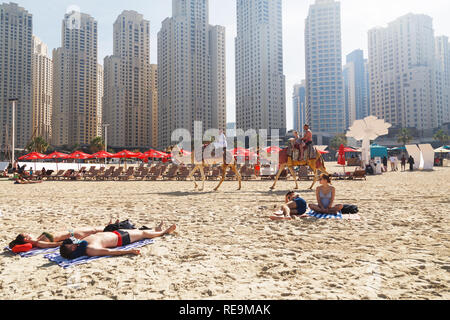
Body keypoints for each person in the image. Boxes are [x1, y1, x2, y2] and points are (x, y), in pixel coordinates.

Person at [9, 219, 165, 250]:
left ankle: (117, 225)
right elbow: (55, 244)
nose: (28, 233)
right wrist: (71, 241)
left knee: (97, 229)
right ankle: (119, 226)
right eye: (26, 234)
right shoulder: (38, 243)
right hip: (74, 234)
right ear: (26, 239)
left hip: (72, 231)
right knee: (99, 231)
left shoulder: (37, 238)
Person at [59, 225, 177, 260]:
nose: (71, 243)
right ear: (73, 249)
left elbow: (69, 237)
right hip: (121, 238)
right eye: (70, 245)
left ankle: (156, 229)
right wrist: (129, 251)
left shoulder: (80, 244)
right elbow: (110, 252)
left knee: (138, 230)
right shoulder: (90, 249)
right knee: (142, 234)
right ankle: (163, 232)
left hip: (116, 233)